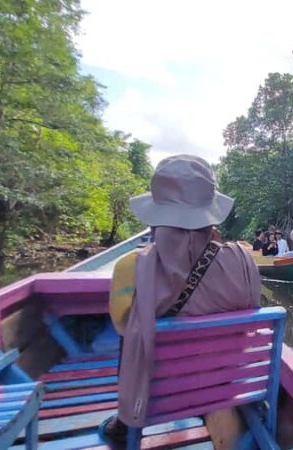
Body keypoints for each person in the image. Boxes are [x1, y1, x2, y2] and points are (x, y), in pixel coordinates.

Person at [100, 154, 261, 450]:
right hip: (223, 380)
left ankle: (124, 424)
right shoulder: (243, 260)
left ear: (156, 215)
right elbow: (251, 308)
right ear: (210, 214)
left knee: (132, 335)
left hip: (158, 392)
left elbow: (122, 327)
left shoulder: (130, 268)